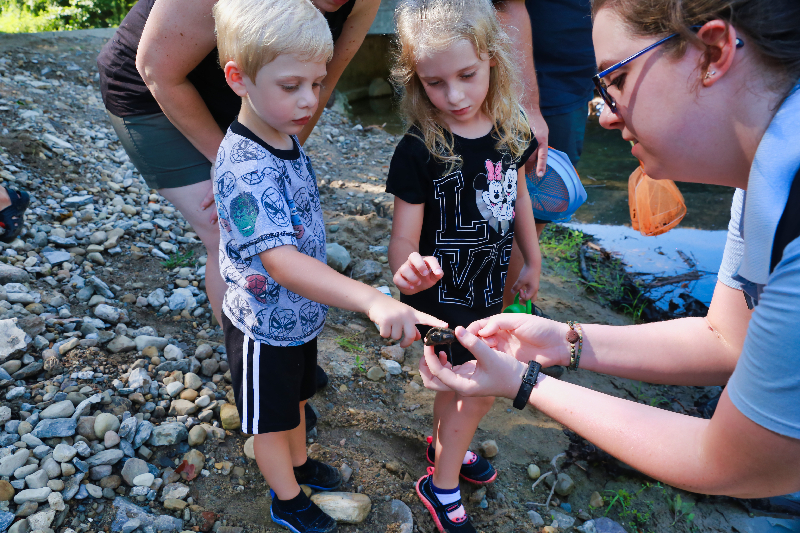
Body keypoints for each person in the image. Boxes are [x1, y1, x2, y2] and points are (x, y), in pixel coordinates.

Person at [419, 0, 800, 499]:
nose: (605, 115)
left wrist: (523, 382)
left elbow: (738, 463)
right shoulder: (760, 184)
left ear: (712, 51)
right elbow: (726, 338)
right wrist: (563, 341)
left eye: (616, 80)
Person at [212, 1, 446, 531]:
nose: (309, 100)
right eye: (291, 85)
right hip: (263, 326)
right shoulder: (246, 165)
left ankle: (299, 464)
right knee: (269, 423)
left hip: (296, 320)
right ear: (238, 78)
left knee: (295, 399)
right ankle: (287, 498)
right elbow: (281, 262)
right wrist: (370, 297)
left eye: (316, 84)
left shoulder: (281, 132)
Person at [96, 0, 379, 428]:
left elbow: (323, 77)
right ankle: (256, 365)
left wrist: (280, 155)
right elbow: (157, 67)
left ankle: (286, 354)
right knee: (223, 233)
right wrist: (233, 165)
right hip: (156, 91)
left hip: (257, 88)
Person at [387, 1, 541, 530]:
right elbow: (403, 240)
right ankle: (442, 483)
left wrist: (534, 257)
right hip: (440, 303)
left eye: (466, 76)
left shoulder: (511, 126)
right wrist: (408, 270)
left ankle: (441, 450)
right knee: (474, 390)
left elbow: (518, 195)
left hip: (488, 291)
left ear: (493, 58)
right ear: (415, 81)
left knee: (460, 388)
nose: (453, 95)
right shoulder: (417, 149)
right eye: (434, 83)